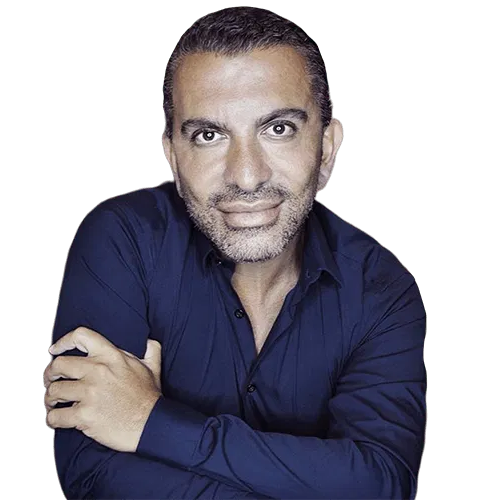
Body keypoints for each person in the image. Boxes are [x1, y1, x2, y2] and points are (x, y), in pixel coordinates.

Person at [43, 6, 427, 500]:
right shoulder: (123, 239)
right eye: (209, 136)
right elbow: (95, 478)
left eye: (278, 129)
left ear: (327, 148)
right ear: (173, 157)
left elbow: (384, 485)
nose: (246, 177)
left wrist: (151, 422)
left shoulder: (382, 290)